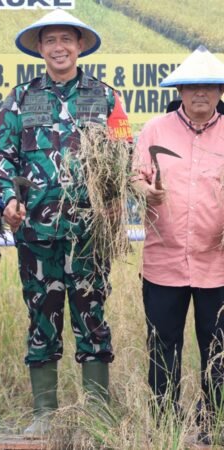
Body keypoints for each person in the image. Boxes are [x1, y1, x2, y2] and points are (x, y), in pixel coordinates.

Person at [0, 10, 132, 435]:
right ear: (39, 48)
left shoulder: (105, 97)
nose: (58, 47)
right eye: (50, 40)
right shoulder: (20, 98)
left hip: (89, 233)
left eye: (66, 39)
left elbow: (123, 153)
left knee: (92, 317)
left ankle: (97, 415)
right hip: (37, 233)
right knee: (41, 316)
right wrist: (11, 199)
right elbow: (2, 158)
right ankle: (43, 415)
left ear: (80, 45)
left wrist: (112, 200)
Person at [133, 46, 224, 444]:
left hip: (218, 262)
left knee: (218, 350)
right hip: (163, 260)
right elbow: (135, 176)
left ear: (221, 91)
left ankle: (214, 423)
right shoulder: (155, 130)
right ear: (180, 90)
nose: (200, 93)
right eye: (192, 86)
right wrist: (145, 192)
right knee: (162, 347)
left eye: (209, 86)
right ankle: (168, 424)